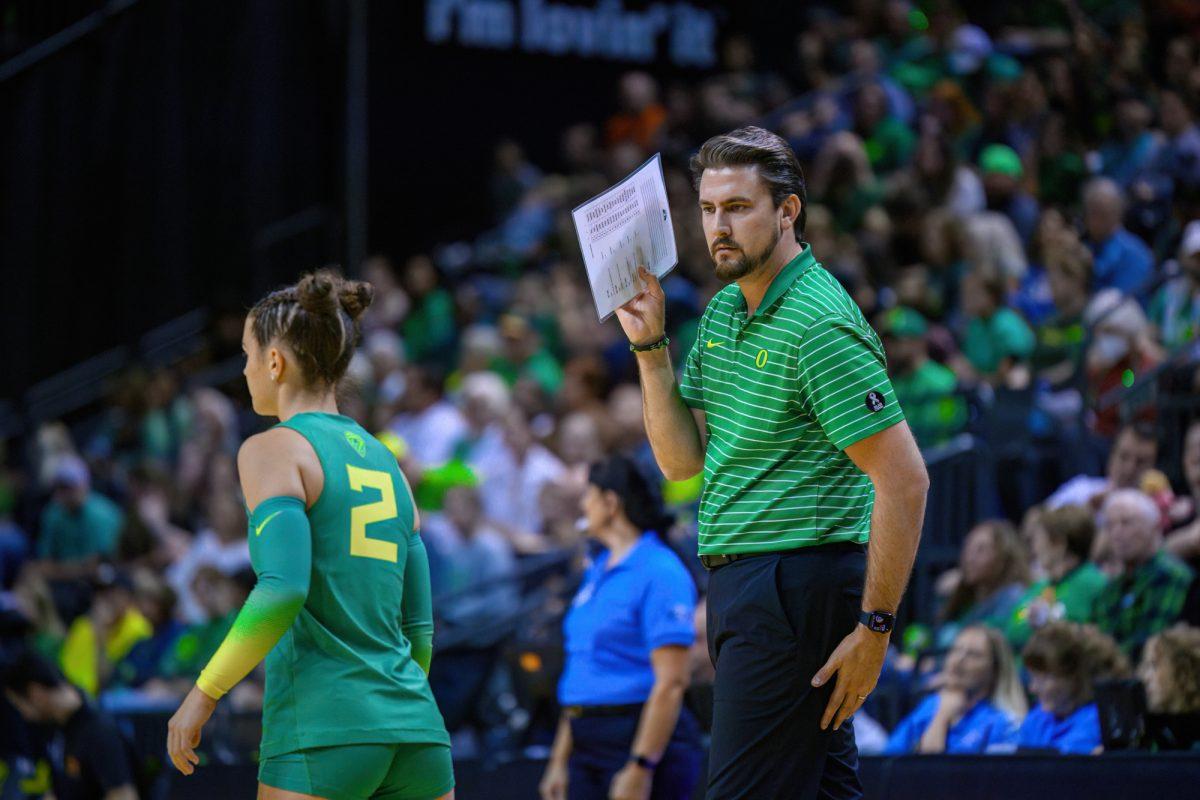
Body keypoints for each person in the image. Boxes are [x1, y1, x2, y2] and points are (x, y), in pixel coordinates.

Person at [616, 125, 927, 799]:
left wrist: (876, 629)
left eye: (738, 208)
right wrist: (651, 349)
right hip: (750, 585)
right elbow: (679, 464)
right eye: (707, 209)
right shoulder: (727, 309)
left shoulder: (820, 325)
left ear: (788, 213)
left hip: (794, 585)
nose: (718, 226)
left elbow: (905, 480)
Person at [165, 271, 454, 800]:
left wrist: (202, 695)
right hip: (418, 733)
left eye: (249, 355)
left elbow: (283, 588)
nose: (248, 369)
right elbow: (420, 628)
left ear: (275, 362)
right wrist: (394, 713)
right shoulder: (389, 462)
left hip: (324, 729)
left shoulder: (273, 447)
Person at [540, 455, 701, 800]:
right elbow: (582, 669)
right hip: (585, 739)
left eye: (589, 495)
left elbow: (672, 683)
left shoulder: (660, 570)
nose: (583, 504)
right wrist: (558, 761)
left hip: (636, 737)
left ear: (610, 502)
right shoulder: (597, 569)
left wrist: (641, 766)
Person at [2, 649, 141, 800]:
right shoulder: (56, 728)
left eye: (19, 705)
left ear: (36, 694)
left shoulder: (99, 731)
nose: (23, 715)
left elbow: (124, 795)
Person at [883, 625, 1025, 754]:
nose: (958, 660)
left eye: (973, 654)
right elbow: (890, 756)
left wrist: (941, 717)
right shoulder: (931, 705)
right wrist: (942, 713)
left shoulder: (1004, 722)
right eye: (955, 650)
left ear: (995, 670)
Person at [1093, 490, 1194, 658]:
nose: (1117, 533)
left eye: (1127, 523)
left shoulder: (1173, 576)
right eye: (1110, 525)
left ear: (1154, 526)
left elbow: (1154, 643)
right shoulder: (1109, 588)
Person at [1004, 505, 1108, 651]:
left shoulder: (1092, 583)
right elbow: (1012, 632)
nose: (1034, 549)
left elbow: (1085, 633)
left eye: (1038, 539)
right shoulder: (1040, 587)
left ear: (1059, 543)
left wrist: (1044, 623)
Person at [1018, 622, 1129, 754]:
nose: (1033, 688)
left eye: (1043, 678)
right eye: (1033, 677)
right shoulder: (1035, 719)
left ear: (1075, 677)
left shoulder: (1099, 721)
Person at [934, 520, 1029, 651]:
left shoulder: (1014, 597)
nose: (969, 558)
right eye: (968, 548)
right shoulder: (966, 597)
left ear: (1004, 558)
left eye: (981, 550)